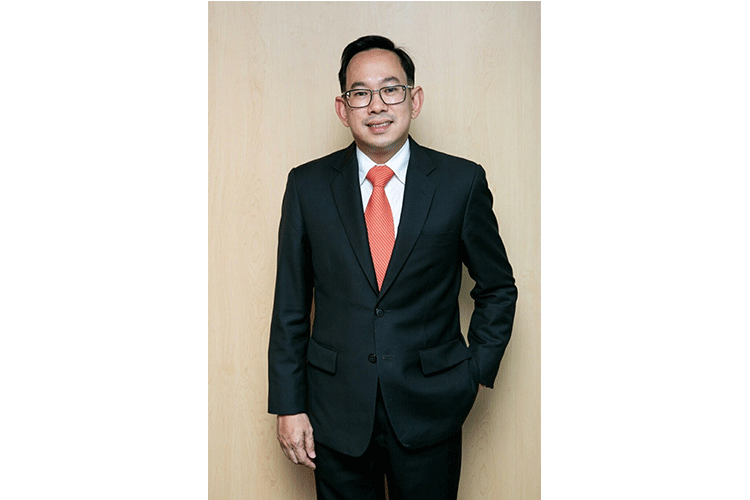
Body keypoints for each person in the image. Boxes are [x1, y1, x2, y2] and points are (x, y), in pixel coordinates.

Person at [268, 35, 517, 500]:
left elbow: (498, 287)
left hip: (431, 407)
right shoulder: (307, 186)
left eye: (390, 89)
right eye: (360, 93)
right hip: (334, 412)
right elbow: (290, 307)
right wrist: (288, 404)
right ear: (343, 109)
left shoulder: (461, 182)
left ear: (414, 100)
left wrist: (473, 371)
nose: (377, 105)